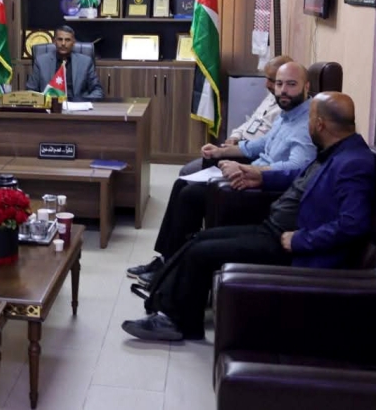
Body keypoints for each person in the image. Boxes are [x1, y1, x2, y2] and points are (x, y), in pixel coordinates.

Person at [122, 92, 375, 342]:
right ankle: (166, 304)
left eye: (309, 117)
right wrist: (261, 177)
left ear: (319, 124)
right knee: (199, 239)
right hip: (273, 228)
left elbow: (353, 225)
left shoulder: (353, 163)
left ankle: (177, 322)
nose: (306, 123)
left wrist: (301, 240)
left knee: (202, 252)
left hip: (289, 244)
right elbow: (298, 176)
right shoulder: (335, 150)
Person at [128, 62, 317, 285]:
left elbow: (298, 169)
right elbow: (260, 144)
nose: (283, 90)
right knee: (181, 184)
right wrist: (222, 151)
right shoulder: (287, 114)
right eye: (279, 84)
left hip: (264, 190)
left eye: (291, 84)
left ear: (307, 87)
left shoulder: (306, 124)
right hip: (251, 175)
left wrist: (251, 170)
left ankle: (170, 267)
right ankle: (165, 259)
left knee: (190, 195)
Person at [179, 55, 293, 177]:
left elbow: (266, 145)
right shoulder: (271, 96)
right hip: (240, 145)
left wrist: (232, 149)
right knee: (190, 171)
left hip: (251, 153)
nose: (266, 84)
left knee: (188, 172)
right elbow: (251, 121)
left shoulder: (287, 108)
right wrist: (235, 136)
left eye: (272, 80)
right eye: (267, 79)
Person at [25, 25, 103, 100]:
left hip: (77, 106)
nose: (63, 43)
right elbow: (31, 91)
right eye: (60, 39)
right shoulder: (41, 61)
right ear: (54, 41)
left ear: (73, 42)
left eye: (67, 40)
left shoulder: (85, 62)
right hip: (50, 105)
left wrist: (82, 102)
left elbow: (97, 90)